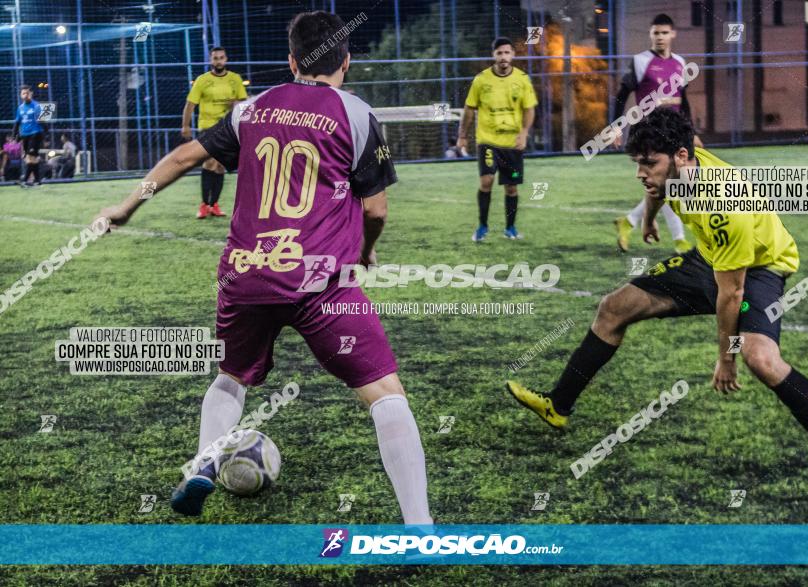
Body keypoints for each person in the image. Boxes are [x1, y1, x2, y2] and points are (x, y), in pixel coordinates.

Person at [95, 10, 433, 523]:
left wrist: (126, 204)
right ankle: (419, 526)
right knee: (386, 394)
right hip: (321, 282)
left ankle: (202, 465)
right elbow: (376, 209)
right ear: (347, 60)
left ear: (292, 60)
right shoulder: (358, 115)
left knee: (231, 376)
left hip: (246, 274)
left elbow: (186, 156)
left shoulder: (253, 108)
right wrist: (365, 251)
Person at [506, 108, 808, 483]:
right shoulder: (679, 159)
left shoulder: (724, 203)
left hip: (761, 267)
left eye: (648, 163)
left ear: (679, 157)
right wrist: (647, 218)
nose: (640, 173)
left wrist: (726, 359)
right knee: (613, 308)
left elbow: (731, 293)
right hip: (710, 256)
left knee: (760, 358)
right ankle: (558, 405)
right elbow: (661, 184)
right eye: (637, 162)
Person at [610, 14, 702, 254]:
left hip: (674, 131)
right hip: (649, 133)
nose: (660, 37)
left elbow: (683, 101)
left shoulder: (680, 62)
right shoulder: (640, 61)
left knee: (670, 182)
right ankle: (680, 240)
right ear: (650, 34)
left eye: (664, 33)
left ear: (673, 34)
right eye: (655, 33)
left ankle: (630, 222)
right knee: (667, 181)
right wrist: (616, 126)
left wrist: (691, 132)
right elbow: (622, 95)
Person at [457, 37, 537, 241]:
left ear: (513, 55)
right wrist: (462, 136)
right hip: (488, 141)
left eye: (507, 52)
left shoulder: (522, 79)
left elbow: (529, 109)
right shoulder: (481, 80)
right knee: (487, 181)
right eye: (499, 53)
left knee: (511, 188)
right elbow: (469, 109)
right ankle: (482, 226)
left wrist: (524, 133)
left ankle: (510, 228)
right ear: (493, 55)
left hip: (512, 143)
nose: (503, 57)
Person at [183, 46, 248, 218]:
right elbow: (190, 104)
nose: (218, 61)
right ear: (211, 60)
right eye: (215, 58)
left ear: (226, 59)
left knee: (220, 166)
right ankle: (204, 204)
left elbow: (244, 103)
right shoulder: (202, 80)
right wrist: (185, 126)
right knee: (210, 162)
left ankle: (214, 205)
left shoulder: (235, 79)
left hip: (228, 127)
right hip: (207, 126)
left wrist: (235, 104)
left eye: (221, 57)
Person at [13, 85, 43, 187]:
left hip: (35, 134)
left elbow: (43, 121)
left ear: (31, 94)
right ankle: (38, 181)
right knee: (31, 159)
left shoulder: (37, 106)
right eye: (23, 93)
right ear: (21, 95)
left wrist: (46, 136)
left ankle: (24, 181)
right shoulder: (20, 108)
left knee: (30, 157)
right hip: (25, 136)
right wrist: (15, 137)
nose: (25, 95)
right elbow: (17, 123)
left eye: (27, 93)